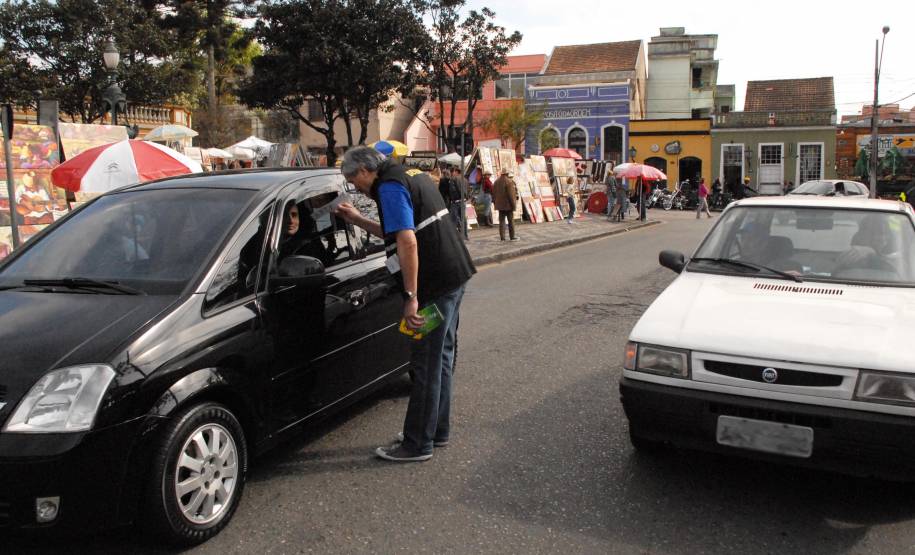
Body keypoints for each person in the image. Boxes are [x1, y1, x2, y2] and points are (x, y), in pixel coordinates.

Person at [335, 146, 475, 462]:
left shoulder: (389, 185)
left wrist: (411, 298)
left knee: (425, 362)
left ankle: (417, 443)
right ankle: (436, 431)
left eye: (355, 183)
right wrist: (357, 219)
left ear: (363, 171)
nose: (357, 189)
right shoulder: (409, 174)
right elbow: (397, 230)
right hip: (455, 275)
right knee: (441, 357)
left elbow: (407, 241)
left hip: (434, 286)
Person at [492, 169, 518, 241]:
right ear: (507, 174)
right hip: (508, 205)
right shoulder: (509, 182)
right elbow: (511, 196)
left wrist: (495, 203)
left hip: (500, 206)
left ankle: (502, 238)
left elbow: (493, 195)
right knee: (511, 221)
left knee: (502, 222)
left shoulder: (496, 182)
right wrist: (514, 206)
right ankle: (512, 236)